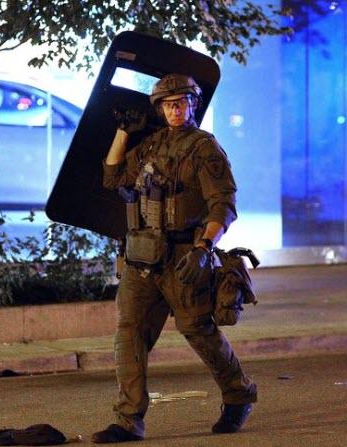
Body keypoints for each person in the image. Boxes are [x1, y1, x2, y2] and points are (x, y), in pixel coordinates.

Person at [91, 74, 257, 443]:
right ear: (160, 109)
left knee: (197, 331)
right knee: (129, 334)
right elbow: (112, 177)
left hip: (184, 257)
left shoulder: (204, 148)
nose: (174, 110)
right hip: (141, 257)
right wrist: (123, 132)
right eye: (168, 104)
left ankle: (238, 392)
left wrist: (203, 248)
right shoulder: (150, 146)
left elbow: (223, 205)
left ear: (192, 105)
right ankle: (128, 420)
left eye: (180, 103)